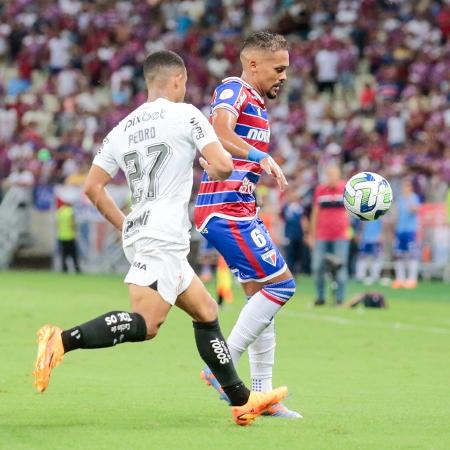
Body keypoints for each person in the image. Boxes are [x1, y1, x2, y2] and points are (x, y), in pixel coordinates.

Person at [32, 50, 287, 426]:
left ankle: (242, 399)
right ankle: (62, 340)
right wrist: (209, 165)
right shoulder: (187, 115)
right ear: (179, 81)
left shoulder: (122, 128)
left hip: (144, 230)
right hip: (164, 233)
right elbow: (223, 165)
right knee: (147, 324)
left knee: (206, 311)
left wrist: (125, 225)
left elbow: (93, 187)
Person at [194, 32, 300, 419]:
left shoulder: (255, 100)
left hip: (237, 208)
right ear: (253, 64)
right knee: (283, 286)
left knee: (262, 298)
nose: (284, 76)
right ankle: (222, 367)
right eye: (279, 68)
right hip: (226, 209)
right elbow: (218, 132)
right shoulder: (234, 90)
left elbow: (221, 147)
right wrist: (261, 156)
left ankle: (263, 396)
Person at [310, 164, 350, 305]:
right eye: (329, 174)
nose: (332, 178)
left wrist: (349, 229)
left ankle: (339, 299)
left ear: (339, 175)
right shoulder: (320, 190)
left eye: (334, 174)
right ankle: (320, 297)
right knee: (318, 267)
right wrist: (312, 234)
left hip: (341, 236)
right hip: (322, 235)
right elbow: (315, 213)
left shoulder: (346, 189)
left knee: (341, 268)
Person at [392, 178, 420, 288]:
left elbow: (415, 210)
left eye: (407, 186)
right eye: (404, 186)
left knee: (411, 255)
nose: (405, 188)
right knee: (399, 255)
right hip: (400, 230)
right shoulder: (400, 199)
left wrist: (408, 200)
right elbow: (397, 214)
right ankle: (400, 279)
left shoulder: (414, 198)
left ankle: (412, 279)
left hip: (410, 230)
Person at [56, 201, 81, 273]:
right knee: (74, 254)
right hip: (70, 235)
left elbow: (57, 224)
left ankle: (64, 268)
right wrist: (75, 231)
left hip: (62, 236)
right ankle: (76, 268)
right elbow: (72, 224)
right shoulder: (71, 212)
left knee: (64, 254)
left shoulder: (60, 211)